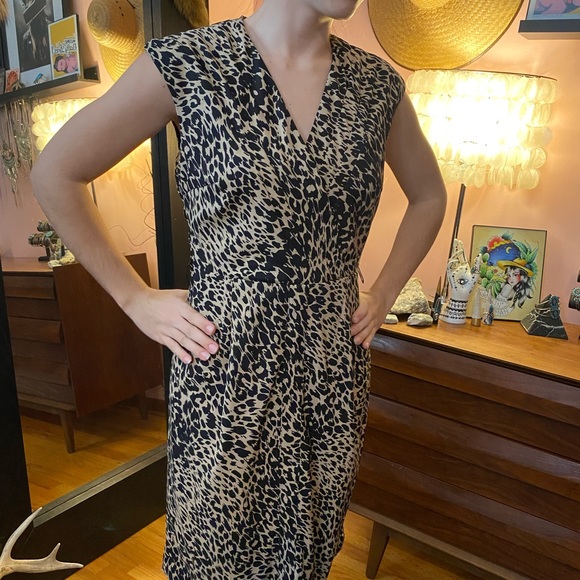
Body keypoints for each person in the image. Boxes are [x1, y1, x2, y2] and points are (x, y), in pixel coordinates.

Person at [31, 1, 447, 577]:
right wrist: (134, 298)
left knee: (308, 554)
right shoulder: (190, 62)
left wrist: (382, 292)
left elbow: (429, 196)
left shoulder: (376, 88)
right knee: (214, 554)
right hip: (224, 371)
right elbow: (56, 172)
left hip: (331, 375)